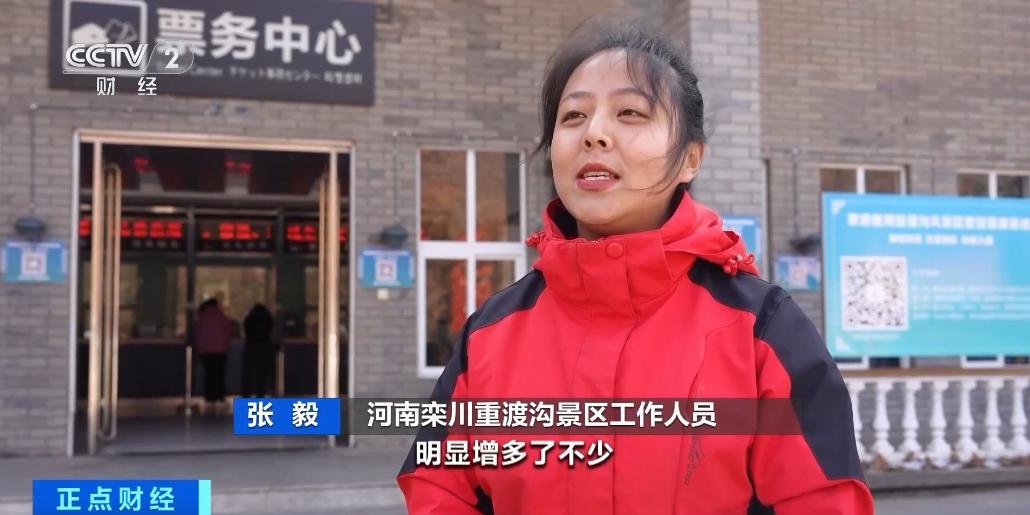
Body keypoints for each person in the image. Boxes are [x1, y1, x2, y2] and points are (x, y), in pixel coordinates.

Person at [397, 17, 874, 515]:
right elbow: (440, 490)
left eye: (629, 112)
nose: (594, 134)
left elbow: (821, 500)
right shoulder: (490, 334)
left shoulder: (761, 330)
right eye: (573, 116)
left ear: (690, 159)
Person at [195, 296, 232, 413]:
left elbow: (198, 334)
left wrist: (200, 348)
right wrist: (226, 345)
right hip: (220, 350)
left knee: (209, 374)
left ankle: (210, 398)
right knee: (219, 374)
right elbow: (227, 332)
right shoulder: (222, 316)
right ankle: (219, 397)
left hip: (206, 351)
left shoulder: (202, 317)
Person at [243, 303, 276, 397]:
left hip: (251, 347)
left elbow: (246, 331)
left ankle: (246, 393)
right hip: (264, 347)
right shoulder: (268, 318)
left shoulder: (249, 319)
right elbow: (270, 330)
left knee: (248, 374)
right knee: (262, 374)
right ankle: (260, 394)